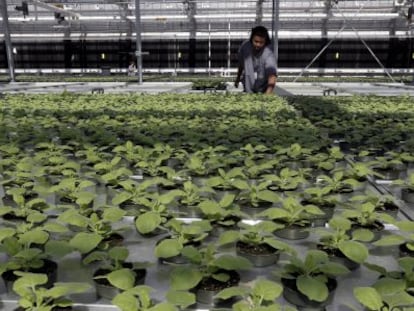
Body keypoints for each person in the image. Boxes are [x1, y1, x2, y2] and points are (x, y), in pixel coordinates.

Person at [234, 26, 277, 95]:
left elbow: (272, 75)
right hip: (248, 87)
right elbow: (241, 64)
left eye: (261, 42)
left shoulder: (268, 53)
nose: (258, 44)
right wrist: (237, 79)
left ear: (265, 42)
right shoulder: (245, 47)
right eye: (256, 41)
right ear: (251, 39)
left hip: (263, 89)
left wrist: (267, 95)